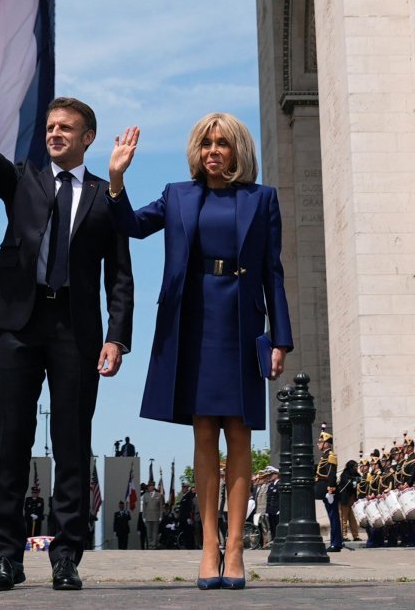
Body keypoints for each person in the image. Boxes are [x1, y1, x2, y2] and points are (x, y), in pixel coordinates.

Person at [0, 46, 133, 593]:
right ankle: (7, 554)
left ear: (87, 138)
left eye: (65, 128)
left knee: (72, 441)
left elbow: (120, 275)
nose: (54, 134)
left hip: (77, 329)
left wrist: (116, 337)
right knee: (13, 439)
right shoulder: (24, 178)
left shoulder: (105, 196)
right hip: (20, 325)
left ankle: (66, 555)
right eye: (50, 127)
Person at [108, 112, 293, 589]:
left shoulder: (262, 199)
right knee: (204, 433)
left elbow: (273, 271)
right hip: (192, 320)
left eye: (223, 144)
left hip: (242, 321)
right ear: (197, 150)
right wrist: (116, 177)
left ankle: (236, 550)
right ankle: (208, 548)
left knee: (240, 432)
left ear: (237, 151)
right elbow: (129, 224)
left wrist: (281, 339)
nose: (214, 151)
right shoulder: (177, 195)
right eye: (206, 143)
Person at [317, 431, 344, 552]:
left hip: (330, 491)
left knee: (334, 517)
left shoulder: (330, 455)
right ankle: (335, 542)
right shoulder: (324, 455)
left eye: (321, 442)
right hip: (326, 491)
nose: (318, 444)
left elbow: (331, 474)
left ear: (326, 444)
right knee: (331, 516)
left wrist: (331, 489)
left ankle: (336, 543)